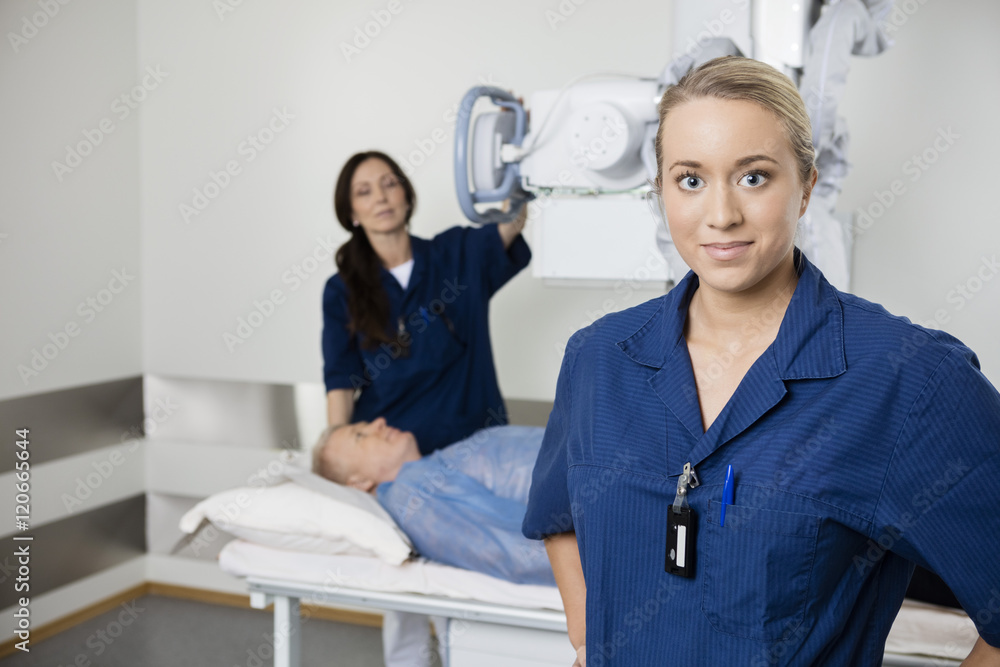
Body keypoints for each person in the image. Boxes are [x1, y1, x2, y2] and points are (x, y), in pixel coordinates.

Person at [522, 56, 1000, 666]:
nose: (720, 214)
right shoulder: (598, 359)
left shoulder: (908, 380)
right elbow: (558, 513)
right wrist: (592, 638)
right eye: (690, 180)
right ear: (659, 190)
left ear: (806, 186)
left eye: (753, 177)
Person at [323, 151, 530, 454]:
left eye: (389, 184)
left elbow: (511, 222)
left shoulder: (456, 254)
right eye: (364, 192)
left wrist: (512, 149)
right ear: (351, 212)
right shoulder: (341, 289)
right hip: (394, 457)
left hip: (477, 446)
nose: (380, 197)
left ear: (406, 196)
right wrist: (340, 456)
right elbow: (340, 384)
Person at [314, 418, 554, 586]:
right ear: (359, 482)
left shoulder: (428, 471)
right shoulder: (411, 494)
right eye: (360, 435)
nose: (378, 422)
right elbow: (513, 552)